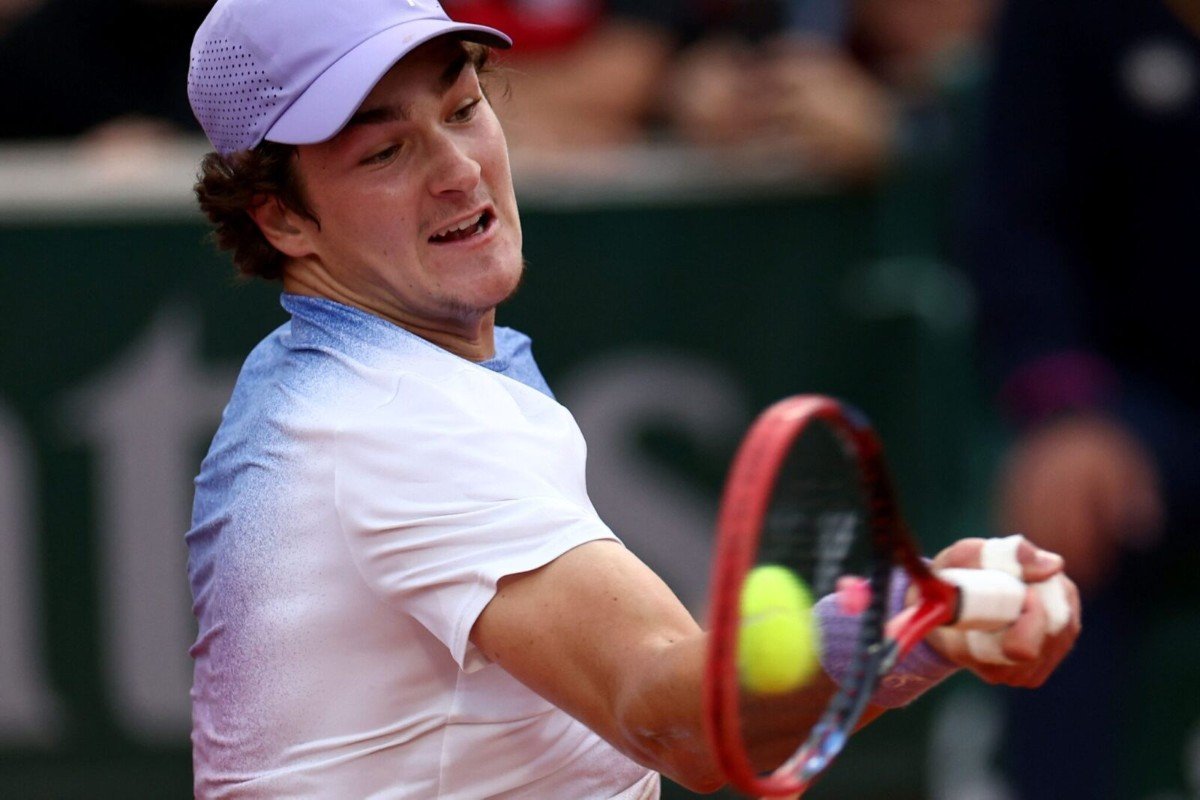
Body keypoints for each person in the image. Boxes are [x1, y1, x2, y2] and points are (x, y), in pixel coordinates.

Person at [183, 1, 1080, 796]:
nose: (457, 168)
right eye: (384, 150)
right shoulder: (388, 423)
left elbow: (692, 719)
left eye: (463, 109)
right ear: (281, 217)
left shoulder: (340, 381)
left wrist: (915, 626)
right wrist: (912, 617)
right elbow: (673, 715)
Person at [963, 0, 1200, 796]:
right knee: (1065, 527)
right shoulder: (1056, 21)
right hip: (1136, 413)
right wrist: (1066, 416)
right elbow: (1013, 223)